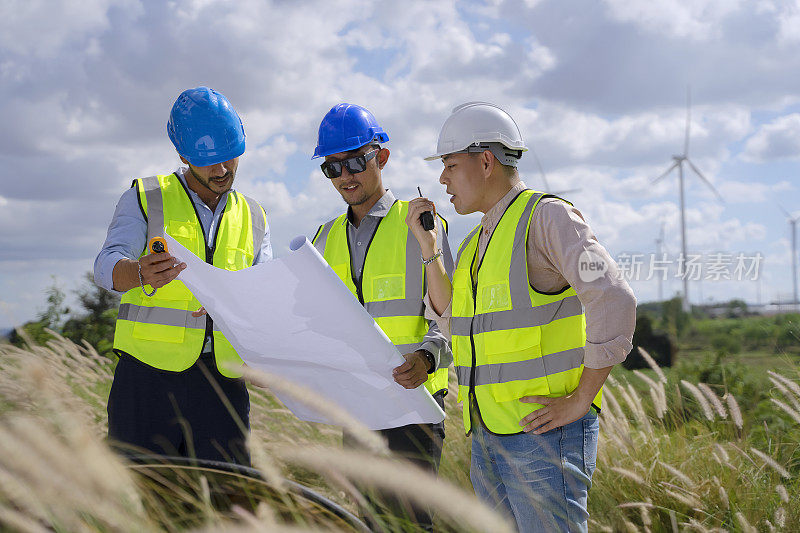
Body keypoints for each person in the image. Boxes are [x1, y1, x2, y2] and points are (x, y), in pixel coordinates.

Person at [406, 102, 636, 532]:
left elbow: (614, 297)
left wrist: (583, 398)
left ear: (486, 161)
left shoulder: (547, 218)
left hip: (543, 441)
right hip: (488, 438)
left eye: (450, 165)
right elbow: (455, 325)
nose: (442, 179)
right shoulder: (477, 242)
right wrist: (429, 248)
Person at [94, 86, 272, 466]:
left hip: (223, 385)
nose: (222, 171)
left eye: (229, 158)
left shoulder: (255, 215)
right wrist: (139, 272)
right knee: (150, 504)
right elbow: (105, 268)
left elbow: (262, 294)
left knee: (226, 506)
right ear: (182, 154)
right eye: (209, 162)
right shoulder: (145, 196)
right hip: (146, 382)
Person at [310, 103, 454, 531]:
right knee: (369, 522)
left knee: (408, 523)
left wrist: (428, 359)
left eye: (356, 161)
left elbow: (452, 314)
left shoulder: (419, 224)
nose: (346, 176)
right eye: (333, 168)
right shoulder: (323, 239)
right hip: (357, 406)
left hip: (413, 403)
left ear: (382, 158)